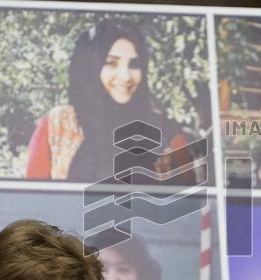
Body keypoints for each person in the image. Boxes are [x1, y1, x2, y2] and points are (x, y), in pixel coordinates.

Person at [26, 20, 187, 182]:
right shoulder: (58, 125)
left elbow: (190, 203)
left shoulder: (167, 135)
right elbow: (32, 200)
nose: (125, 76)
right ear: (90, 68)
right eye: (111, 63)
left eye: (134, 64)